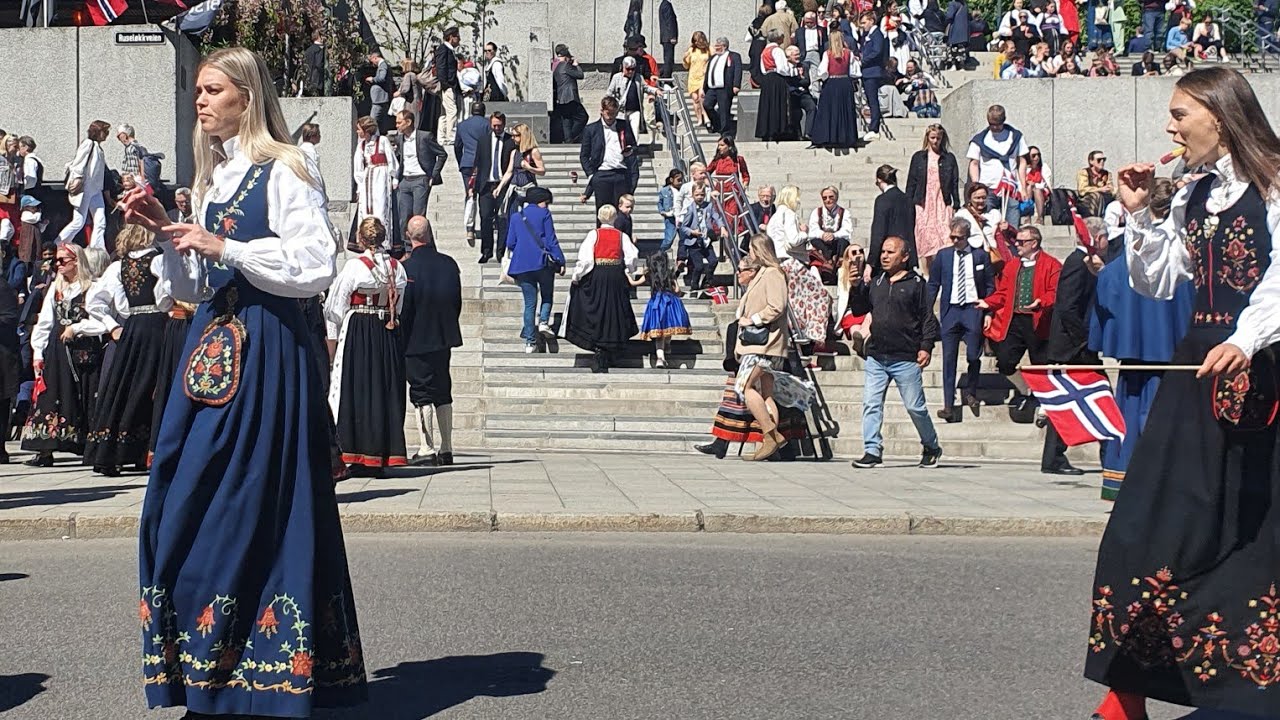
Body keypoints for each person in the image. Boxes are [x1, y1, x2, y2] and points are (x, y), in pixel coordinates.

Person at [118, 47, 366, 714]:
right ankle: (209, 669)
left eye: (213, 90)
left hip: (269, 353)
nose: (200, 101)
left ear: (246, 97)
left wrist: (225, 245)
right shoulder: (214, 178)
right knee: (180, 496)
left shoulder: (286, 166)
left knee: (249, 504)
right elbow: (195, 287)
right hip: (212, 352)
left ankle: (254, 682)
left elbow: (316, 264)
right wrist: (167, 233)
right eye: (199, 90)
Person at [1083, 67, 1280, 720]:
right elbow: (1159, 281)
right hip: (1196, 371)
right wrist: (1141, 214)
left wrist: (1246, 339)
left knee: (1250, 535)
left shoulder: (1274, 183)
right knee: (1144, 524)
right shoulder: (1195, 193)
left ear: (1219, 116)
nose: (1170, 127)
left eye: (1179, 114)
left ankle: (1246, 686)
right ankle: (1127, 689)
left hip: (1261, 371)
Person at [1087, 178, 1192, 500]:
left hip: (1134, 358)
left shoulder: (1119, 264)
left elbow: (1104, 302)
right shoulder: (1186, 256)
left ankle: (1127, 486)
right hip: (1177, 357)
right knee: (1170, 422)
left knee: (1131, 421)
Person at [82, 223, 171, 476]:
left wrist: (112, 326)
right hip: (158, 326)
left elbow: (94, 301)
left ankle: (114, 451)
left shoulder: (118, 266)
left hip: (132, 327)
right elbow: (167, 295)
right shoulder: (160, 260)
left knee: (125, 385)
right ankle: (143, 450)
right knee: (153, 385)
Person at [850, 236, 943, 468]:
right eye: (883, 252)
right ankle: (872, 450)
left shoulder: (916, 284)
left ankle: (931, 445)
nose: (884, 256)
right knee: (871, 403)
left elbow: (927, 318)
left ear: (904, 257)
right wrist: (856, 286)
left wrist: (926, 347)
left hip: (905, 357)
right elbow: (860, 309)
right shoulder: (877, 282)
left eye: (890, 252)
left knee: (915, 407)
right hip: (877, 356)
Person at [324, 217, 408, 475]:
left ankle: (357, 454)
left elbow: (335, 307)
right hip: (387, 330)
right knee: (384, 389)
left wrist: (334, 336)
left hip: (359, 329)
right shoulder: (397, 267)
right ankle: (382, 454)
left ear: (360, 239)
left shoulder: (354, 267)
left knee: (357, 388)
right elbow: (399, 303)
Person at [1038, 216, 1113, 476]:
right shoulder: (1076, 262)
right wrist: (1084, 339)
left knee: (1075, 400)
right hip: (1074, 348)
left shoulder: (1086, 262)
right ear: (1097, 238)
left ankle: (1054, 457)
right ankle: (1109, 457)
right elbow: (1067, 307)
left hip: (1077, 346)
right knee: (1101, 396)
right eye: (1105, 237)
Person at [21, 242, 107, 466]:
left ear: (77, 262)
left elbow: (101, 322)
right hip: (58, 350)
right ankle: (45, 450)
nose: (57, 265)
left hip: (84, 350)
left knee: (85, 396)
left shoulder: (92, 287)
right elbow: (45, 321)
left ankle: (87, 446)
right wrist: (38, 352)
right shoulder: (56, 289)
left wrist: (77, 328)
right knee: (51, 396)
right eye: (55, 261)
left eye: (62, 260)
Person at [734, 241, 813, 460]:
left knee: (745, 387)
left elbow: (777, 306)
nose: (749, 253)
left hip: (765, 344)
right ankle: (769, 443)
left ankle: (771, 433)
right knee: (766, 394)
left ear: (760, 249)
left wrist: (753, 319)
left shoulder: (773, 274)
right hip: (760, 344)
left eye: (751, 249)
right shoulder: (764, 273)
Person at [694, 319, 806, 459]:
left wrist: (754, 318)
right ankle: (723, 442)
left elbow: (775, 310)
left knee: (751, 392)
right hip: (757, 348)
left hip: (767, 348)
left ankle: (775, 443)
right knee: (740, 391)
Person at [401, 215, 463, 467]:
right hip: (443, 336)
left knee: (421, 392)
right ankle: (446, 448)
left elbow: (405, 308)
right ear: (430, 234)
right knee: (442, 389)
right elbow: (456, 302)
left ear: (408, 236)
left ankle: (426, 447)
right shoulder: (449, 264)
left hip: (416, 338)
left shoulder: (406, 268)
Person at [984, 225, 1061, 416]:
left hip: (1039, 321)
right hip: (1015, 320)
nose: (1016, 244)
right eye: (1017, 241)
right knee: (1004, 360)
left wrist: (1041, 302)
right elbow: (1003, 293)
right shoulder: (1012, 265)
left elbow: (1055, 292)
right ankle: (1026, 389)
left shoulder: (1052, 264)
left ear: (1034, 243)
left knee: (1041, 363)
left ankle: (1045, 402)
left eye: (1021, 241)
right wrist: (987, 303)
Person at [929, 218, 995, 422]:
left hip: (972, 309)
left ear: (967, 237)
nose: (955, 241)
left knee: (974, 354)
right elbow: (933, 284)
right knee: (948, 358)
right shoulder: (943, 256)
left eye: (959, 238)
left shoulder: (980, 256)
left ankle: (971, 390)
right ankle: (948, 405)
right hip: (951, 310)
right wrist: (926, 310)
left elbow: (990, 285)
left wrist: (988, 310)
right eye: (953, 237)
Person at [566, 205, 640, 372]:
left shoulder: (594, 234)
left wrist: (577, 276)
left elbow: (586, 260)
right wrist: (630, 269)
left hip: (598, 274)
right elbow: (632, 256)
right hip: (615, 275)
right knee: (614, 310)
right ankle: (611, 346)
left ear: (599, 217)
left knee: (598, 308)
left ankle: (599, 345)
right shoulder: (621, 236)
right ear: (615, 218)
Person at [505, 187, 566, 353]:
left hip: (522, 265)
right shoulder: (544, 214)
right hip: (542, 263)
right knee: (547, 295)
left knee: (529, 304)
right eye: (546, 202)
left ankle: (530, 343)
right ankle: (544, 321)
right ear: (541, 201)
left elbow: (510, 243)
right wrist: (560, 260)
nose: (547, 205)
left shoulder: (516, 216)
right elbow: (551, 240)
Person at [391, 110, 447, 249]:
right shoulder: (399, 139)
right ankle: (408, 248)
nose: (397, 125)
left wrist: (433, 175)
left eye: (399, 122)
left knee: (418, 217)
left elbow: (442, 154)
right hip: (405, 180)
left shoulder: (424, 137)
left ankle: (423, 247)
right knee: (404, 216)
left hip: (420, 179)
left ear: (408, 122)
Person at [907, 124, 961, 270]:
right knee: (925, 237)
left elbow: (954, 182)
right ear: (927, 138)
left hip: (942, 200)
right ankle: (926, 272)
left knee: (945, 236)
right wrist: (908, 203)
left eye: (938, 138)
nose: (935, 141)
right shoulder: (919, 157)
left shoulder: (949, 158)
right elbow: (912, 181)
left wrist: (956, 203)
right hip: (923, 202)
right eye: (932, 138)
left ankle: (942, 269)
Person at [967, 104, 1030, 226]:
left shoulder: (1016, 137)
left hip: (1010, 187)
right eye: (992, 124)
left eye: (998, 124)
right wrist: (976, 186)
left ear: (1004, 120)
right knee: (988, 226)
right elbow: (974, 163)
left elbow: (1022, 162)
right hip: (988, 188)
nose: (995, 127)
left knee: (1012, 227)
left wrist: (1023, 187)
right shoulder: (980, 140)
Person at [580, 96, 641, 215]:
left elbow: (634, 146)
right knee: (604, 213)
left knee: (621, 214)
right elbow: (584, 156)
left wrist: (630, 150)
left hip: (621, 174)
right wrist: (591, 175)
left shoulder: (624, 126)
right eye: (608, 113)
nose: (610, 116)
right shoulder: (591, 129)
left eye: (614, 113)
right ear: (602, 111)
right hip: (602, 174)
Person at [471, 111, 517, 264]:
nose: (496, 128)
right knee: (485, 218)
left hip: (503, 185)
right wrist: (473, 185)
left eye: (499, 126)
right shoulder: (483, 140)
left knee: (502, 219)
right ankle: (486, 251)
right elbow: (477, 162)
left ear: (504, 124)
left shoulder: (510, 141)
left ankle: (501, 251)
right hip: (486, 185)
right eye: (494, 126)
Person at [57, 120, 110, 249]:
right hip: (85, 188)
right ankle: (58, 244)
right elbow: (78, 163)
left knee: (100, 221)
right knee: (78, 222)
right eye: (105, 131)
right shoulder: (88, 144)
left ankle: (97, 249)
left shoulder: (97, 147)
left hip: (95, 189)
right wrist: (77, 178)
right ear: (98, 132)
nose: (107, 134)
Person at [638, 253, 691, 368]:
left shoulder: (649, 273)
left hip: (656, 304)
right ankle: (667, 344)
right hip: (669, 302)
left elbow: (634, 283)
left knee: (659, 332)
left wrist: (627, 275)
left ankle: (660, 358)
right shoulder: (670, 273)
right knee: (668, 326)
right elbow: (677, 290)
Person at [810, 30, 859, 149]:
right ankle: (846, 137)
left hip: (831, 84)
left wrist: (823, 78)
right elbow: (855, 72)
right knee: (845, 110)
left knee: (829, 111)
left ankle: (828, 136)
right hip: (845, 83)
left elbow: (822, 72)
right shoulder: (849, 54)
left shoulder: (827, 54)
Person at [353, 115, 397, 244]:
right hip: (367, 179)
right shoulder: (361, 146)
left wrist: (394, 178)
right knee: (366, 208)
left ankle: (382, 240)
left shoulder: (382, 141)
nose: (357, 131)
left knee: (381, 207)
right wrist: (359, 187)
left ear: (366, 130)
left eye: (359, 129)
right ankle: (366, 239)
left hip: (381, 177)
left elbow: (391, 160)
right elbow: (358, 168)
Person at [870, 165, 918, 275]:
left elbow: (878, 232)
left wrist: (871, 262)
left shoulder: (882, 200)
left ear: (879, 180)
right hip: (906, 255)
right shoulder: (908, 199)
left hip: (888, 256)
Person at [455, 101, 490, 245]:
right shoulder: (488, 124)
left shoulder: (462, 125)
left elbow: (457, 146)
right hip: (484, 163)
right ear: (483, 111)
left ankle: (470, 228)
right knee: (485, 194)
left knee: (470, 194)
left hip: (467, 163)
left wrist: (461, 161)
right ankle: (486, 223)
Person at [679, 184, 724, 291]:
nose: (699, 197)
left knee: (713, 261)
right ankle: (694, 284)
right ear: (692, 195)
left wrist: (722, 227)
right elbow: (683, 227)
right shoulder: (690, 209)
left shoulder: (709, 206)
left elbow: (716, 217)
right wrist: (692, 232)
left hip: (706, 241)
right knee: (698, 266)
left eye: (702, 195)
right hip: (694, 243)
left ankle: (707, 281)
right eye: (697, 195)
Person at [754, 29, 795, 142]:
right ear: (778, 38)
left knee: (767, 104)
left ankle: (766, 130)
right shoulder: (777, 50)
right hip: (777, 79)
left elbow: (763, 69)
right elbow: (782, 68)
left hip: (767, 79)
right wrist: (792, 71)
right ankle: (778, 129)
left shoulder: (764, 51)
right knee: (777, 103)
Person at [807, 186, 854, 279]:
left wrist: (834, 235)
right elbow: (813, 230)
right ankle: (827, 263)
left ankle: (839, 265)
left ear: (836, 197)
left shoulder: (845, 212)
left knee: (843, 241)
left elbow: (847, 231)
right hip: (822, 243)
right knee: (815, 241)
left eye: (831, 197)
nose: (828, 200)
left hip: (836, 243)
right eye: (825, 198)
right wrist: (823, 235)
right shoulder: (816, 212)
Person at [607, 57, 658, 142]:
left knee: (635, 133)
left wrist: (655, 90)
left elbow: (645, 87)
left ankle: (634, 147)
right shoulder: (616, 77)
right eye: (628, 69)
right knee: (621, 134)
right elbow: (609, 92)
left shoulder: (639, 77)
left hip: (635, 110)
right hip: (621, 111)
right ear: (623, 67)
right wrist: (611, 104)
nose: (630, 71)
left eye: (633, 69)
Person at [703, 37, 744, 135]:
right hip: (712, 88)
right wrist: (704, 87)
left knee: (724, 110)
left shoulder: (733, 56)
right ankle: (717, 124)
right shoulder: (713, 57)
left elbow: (738, 70)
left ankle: (725, 132)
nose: (715, 48)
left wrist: (736, 85)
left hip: (724, 88)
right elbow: (708, 72)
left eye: (718, 46)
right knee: (707, 105)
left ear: (724, 46)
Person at [552, 45, 587, 144]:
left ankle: (568, 140)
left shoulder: (556, 67)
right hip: (570, 97)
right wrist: (576, 65)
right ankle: (571, 136)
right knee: (583, 117)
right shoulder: (566, 65)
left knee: (566, 120)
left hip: (561, 99)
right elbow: (580, 75)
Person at [435, 28, 463, 145]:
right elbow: (441, 67)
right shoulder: (443, 49)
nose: (459, 39)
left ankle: (442, 137)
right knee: (452, 111)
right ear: (451, 37)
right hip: (447, 86)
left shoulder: (449, 50)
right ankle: (451, 136)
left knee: (444, 113)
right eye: (457, 37)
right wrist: (446, 85)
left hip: (450, 86)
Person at [1076, 149, 1115, 217]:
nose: (1102, 162)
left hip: (1104, 199)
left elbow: (1111, 188)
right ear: (1091, 161)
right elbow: (1082, 190)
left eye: (1104, 159)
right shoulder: (1084, 172)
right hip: (1088, 201)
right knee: (1097, 196)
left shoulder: (1107, 174)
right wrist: (1100, 189)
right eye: (1099, 160)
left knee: (1120, 195)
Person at [685, 32, 712, 127]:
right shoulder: (691, 50)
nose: (697, 43)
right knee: (695, 98)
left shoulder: (709, 49)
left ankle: (706, 116)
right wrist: (685, 58)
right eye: (695, 41)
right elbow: (686, 66)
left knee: (701, 96)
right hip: (693, 77)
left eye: (698, 41)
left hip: (703, 77)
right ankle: (699, 119)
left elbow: (713, 59)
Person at [658, 169, 684, 253]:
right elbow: (660, 202)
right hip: (670, 217)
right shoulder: (665, 190)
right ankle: (660, 253)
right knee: (669, 239)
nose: (680, 182)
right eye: (678, 180)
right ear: (671, 179)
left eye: (681, 180)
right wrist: (662, 211)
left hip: (682, 216)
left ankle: (681, 257)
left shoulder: (683, 190)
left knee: (684, 238)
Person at [365, 50, 391, 130]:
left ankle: (373, 135)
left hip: (379, 99)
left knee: (372, 121)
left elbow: (382, 78)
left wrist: (372, 79)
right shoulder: (383, 65)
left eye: (372, 61)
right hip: (380, 99)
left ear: (375, 58)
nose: (372, 64)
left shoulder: (383, 66)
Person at [945, 0, 971, 69]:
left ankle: (954, 65)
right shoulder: (965, 5)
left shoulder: (952, 4)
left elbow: (949, 16)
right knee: (962, 49)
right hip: (964, 31)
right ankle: (962, 65)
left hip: (955, 29)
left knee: (953, 48)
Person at [659, 0, 679, 79]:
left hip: (666, 37)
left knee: (668, 59)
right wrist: (672, 36)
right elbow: (670, 21)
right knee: (669, 60)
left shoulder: (664, 4)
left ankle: (663, 75)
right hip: (668, 38)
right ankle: (666, 77)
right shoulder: (667, 5)